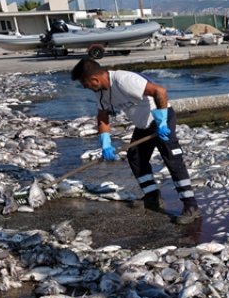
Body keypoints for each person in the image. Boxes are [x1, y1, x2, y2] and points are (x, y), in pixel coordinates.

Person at [70, 58, 200, 224]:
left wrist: (161, 122)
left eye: (85, 84)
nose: (85, 88)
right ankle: (152, 196)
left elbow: (160, 91)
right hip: (143, 125)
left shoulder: (124, 80)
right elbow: (103, 117)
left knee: (172, 160)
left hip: (161, 119)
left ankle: (191, 206)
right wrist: (105, 143)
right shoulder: (101, 92)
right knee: (136, 157)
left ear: (94, 79)